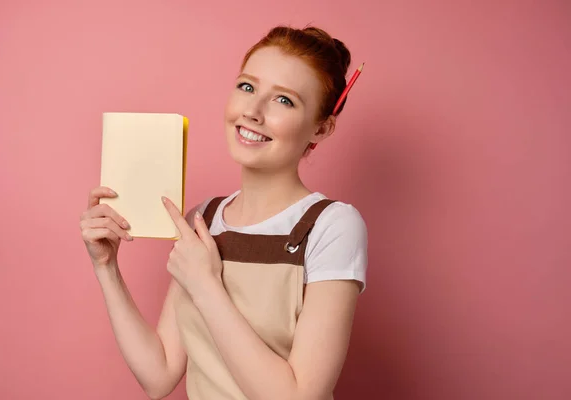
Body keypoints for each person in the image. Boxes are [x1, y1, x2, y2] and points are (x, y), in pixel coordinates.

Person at [80, 25, 368, 400]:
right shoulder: (204, 219)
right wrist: (106, 267)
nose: (253, 111)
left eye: (284, 101)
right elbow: (160, 374)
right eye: (247, 87)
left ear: (321, 127)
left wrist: (205, 285)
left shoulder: (332, 226)